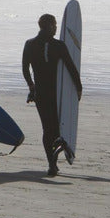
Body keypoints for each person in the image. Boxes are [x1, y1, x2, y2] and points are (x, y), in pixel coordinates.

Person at [22, 14, 82, 177]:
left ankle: (51, 164)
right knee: (55, 129)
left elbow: (25, 69)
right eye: (54, 25)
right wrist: (78, 87)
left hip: (40, 93)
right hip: (56, 94)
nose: (56, 28)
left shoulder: (30, 44)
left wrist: (31, 86)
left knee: (47, 129)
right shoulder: (58, 46)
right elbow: (70, 67)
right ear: (47, 26)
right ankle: (52, 163)